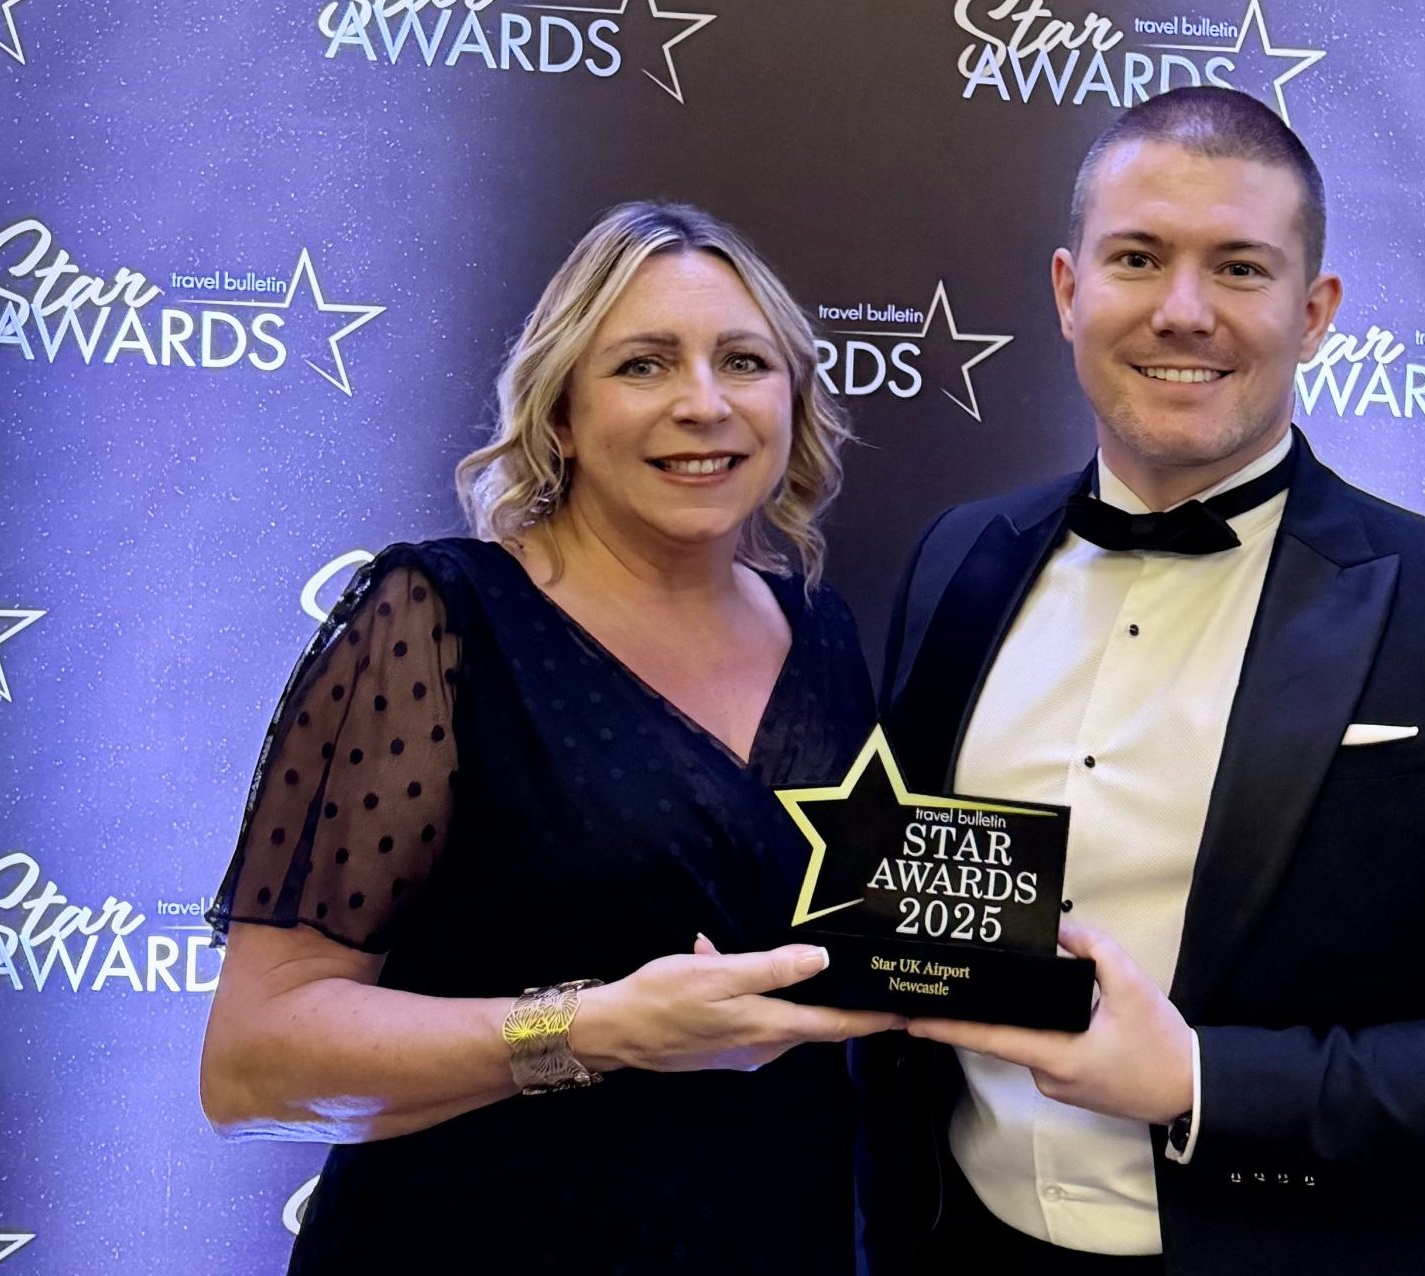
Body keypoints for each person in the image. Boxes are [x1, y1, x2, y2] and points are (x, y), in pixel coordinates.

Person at [856, 87, 1425, 1275]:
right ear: (1070, 290)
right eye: (1138, 258)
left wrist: (1203, 1079)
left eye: (1239, 268)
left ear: (1314, 311)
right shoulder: (959, 557)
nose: (1184, 311)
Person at [200, 201, 901, 1274]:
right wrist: (594, 1027)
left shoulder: (824, 631)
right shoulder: (439, 619)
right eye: (643, 365)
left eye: (744, 362)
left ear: (792, 400)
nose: (704, 403)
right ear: (562, 413)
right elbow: (255, 1061)